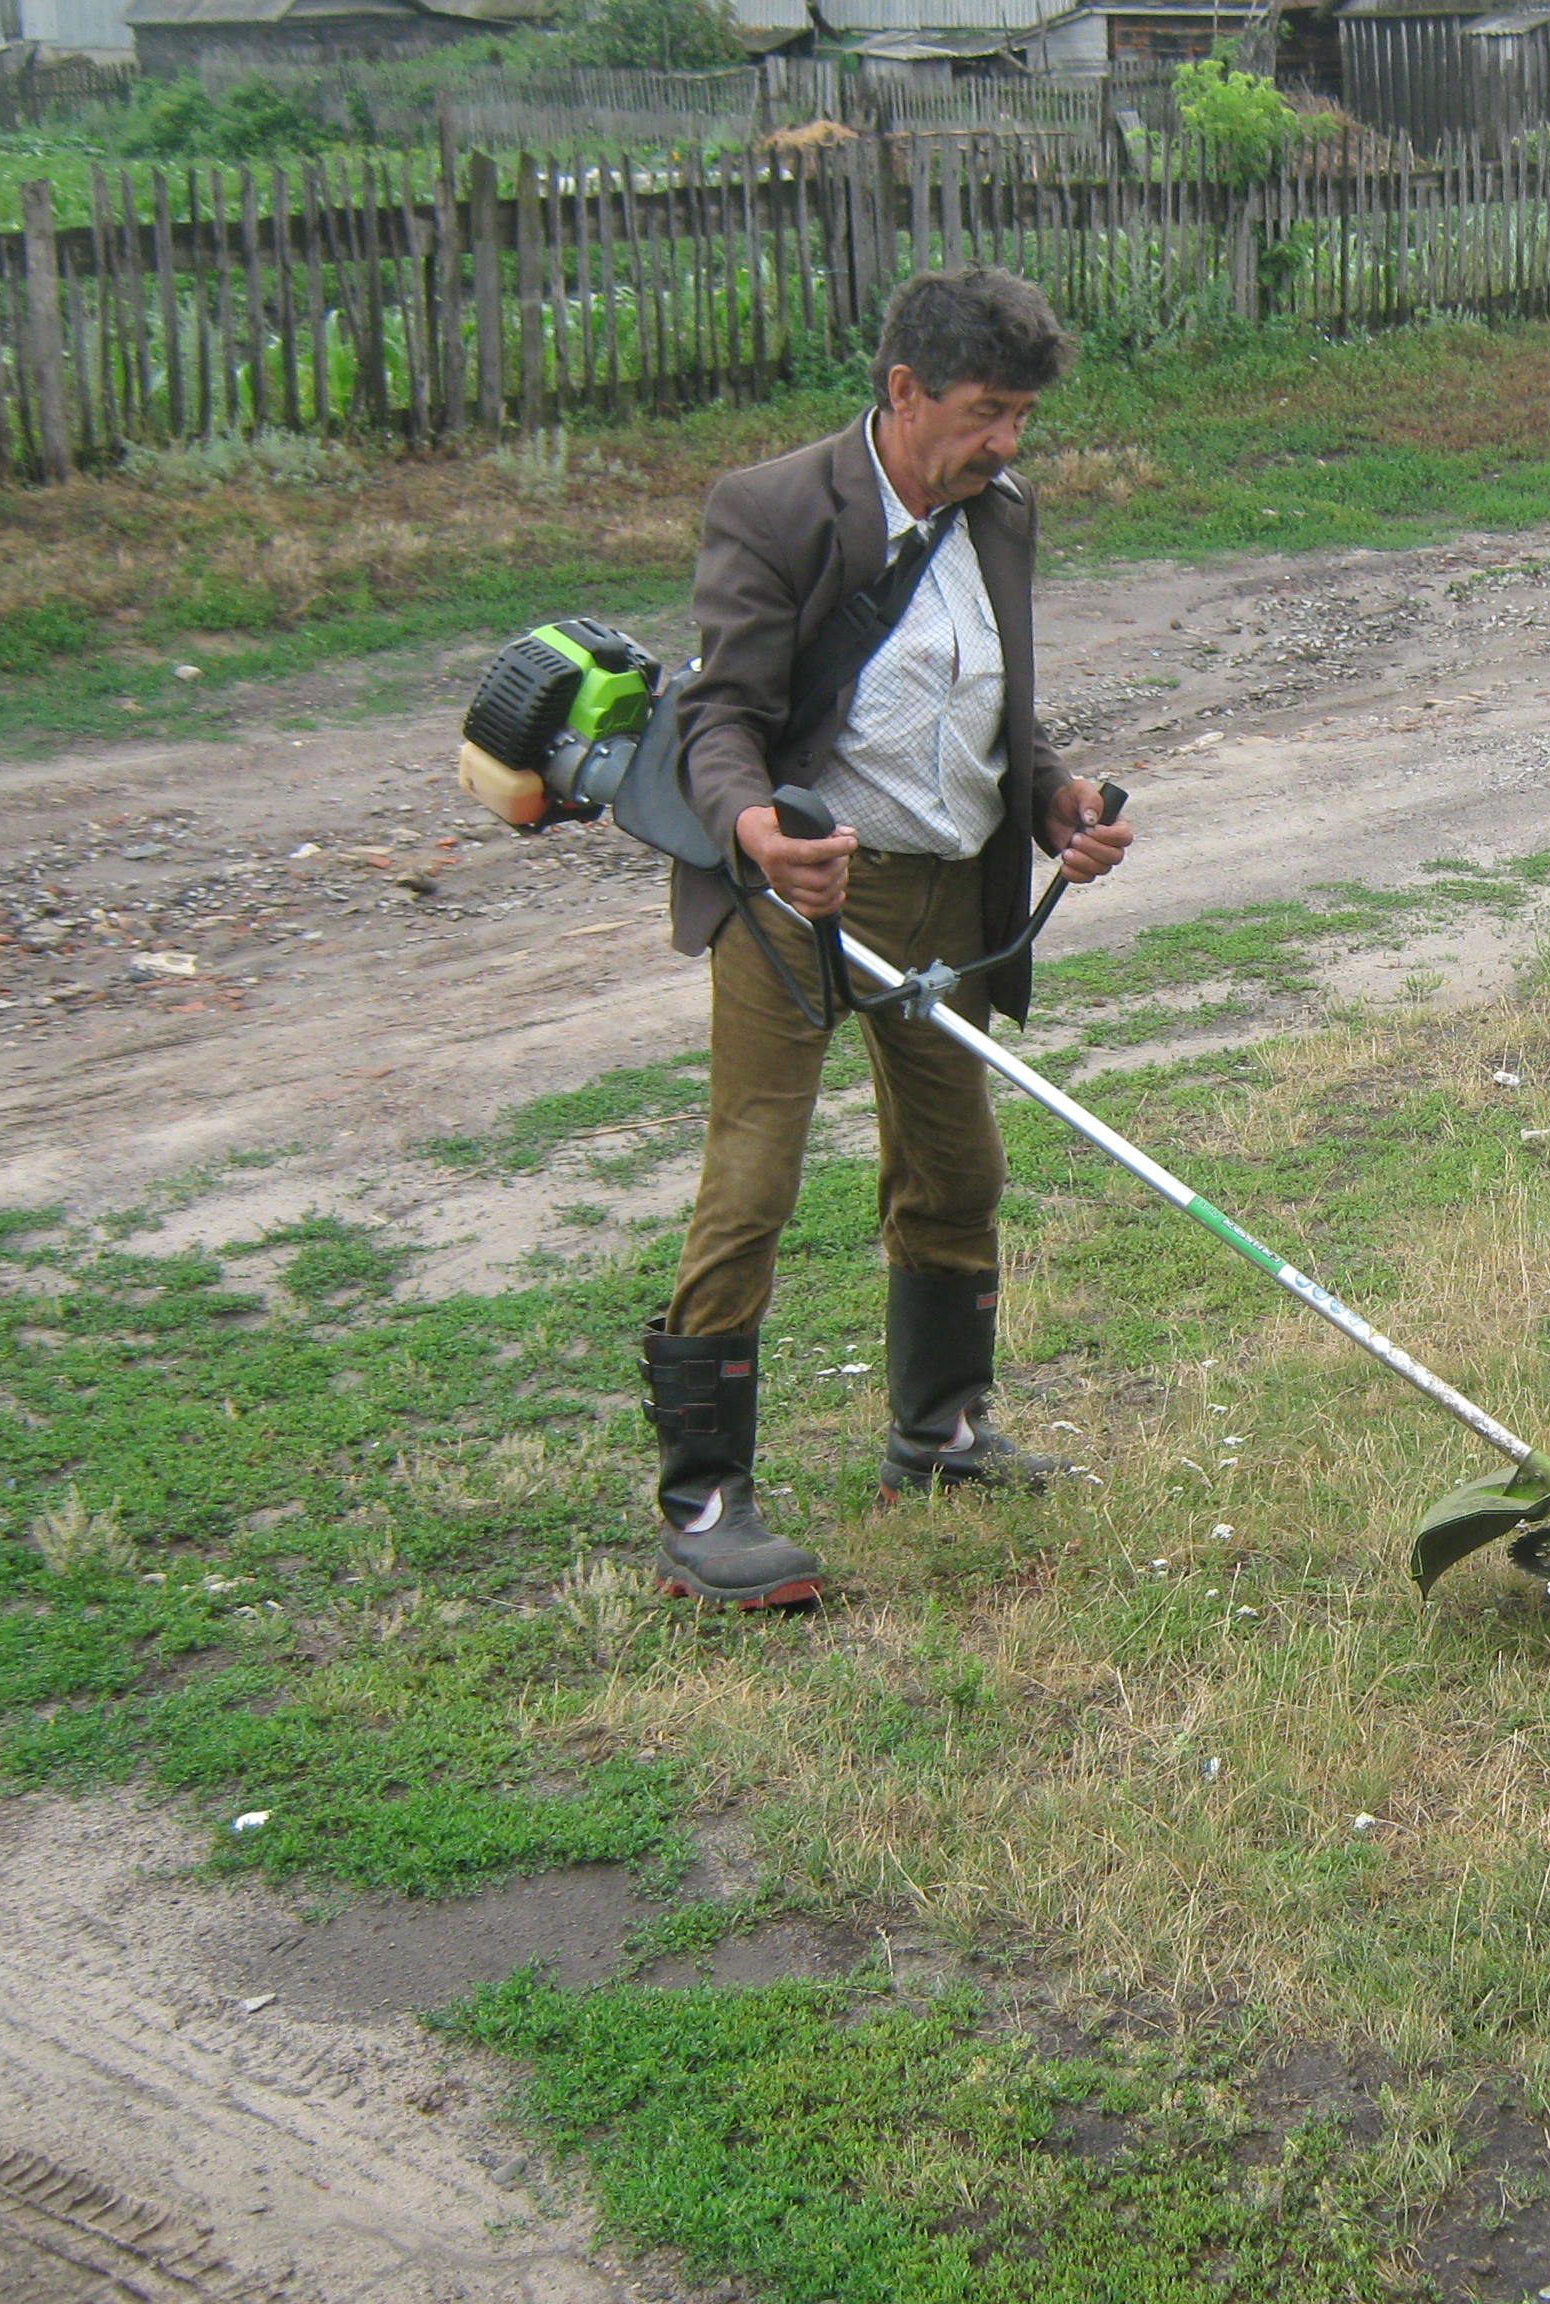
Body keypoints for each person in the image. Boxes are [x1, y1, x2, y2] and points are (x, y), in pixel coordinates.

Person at [639, 267, 1134, 1607]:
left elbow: (996, 709)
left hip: (940, 896)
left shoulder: (1002, 514)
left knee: (958, 1168)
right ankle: (704, 1505)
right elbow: (723, 714)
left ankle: (942, 1435)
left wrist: (1056, 799)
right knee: (753, 1184)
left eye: (1024, 415)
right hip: (803, 895)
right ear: (904, 392)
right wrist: (752, 830)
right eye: (986, 412)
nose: (1009, 443)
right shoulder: (777, 507)